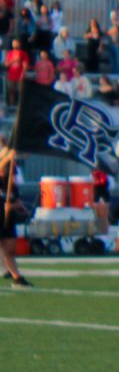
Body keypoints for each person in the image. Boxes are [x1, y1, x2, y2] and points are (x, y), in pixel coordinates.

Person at [0, 143, 31, 287]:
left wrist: (20, 207)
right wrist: (9, 153)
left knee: (10, 249)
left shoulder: (11, 180)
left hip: (7, 217)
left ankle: (17, 277)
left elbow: (14, 198)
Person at [4, 38, 27, 109]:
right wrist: (13, 60)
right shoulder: (9, 53)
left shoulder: (23, 53)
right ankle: (11, 105)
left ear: (19, 44)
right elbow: (6, 64)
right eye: (13, 43)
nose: (14, 44)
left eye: (16, 43)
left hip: (20, 76)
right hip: (11, 75)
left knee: (21, 92)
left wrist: (23, 73)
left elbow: (25, 64)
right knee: (11, 91)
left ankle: (20, 106)